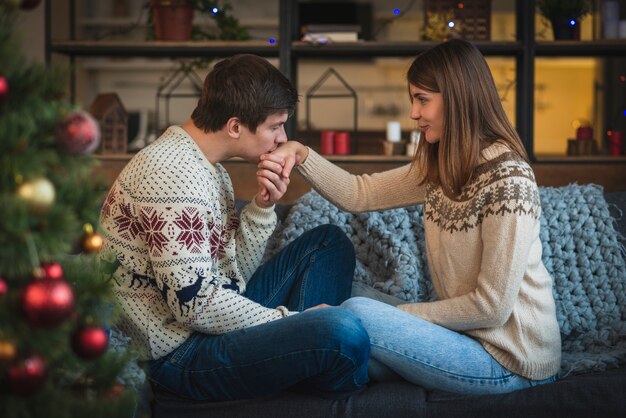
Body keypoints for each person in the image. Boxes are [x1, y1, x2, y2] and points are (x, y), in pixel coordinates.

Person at [258, 39, 561, 396]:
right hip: (463, 338)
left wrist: (396, 317)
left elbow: (492, 308)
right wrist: (300, 153)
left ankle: (311, 351)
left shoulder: (508, 180)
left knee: (356, 311)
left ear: (457, 97)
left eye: (422, 99)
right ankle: (305, 351)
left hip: (509, 362)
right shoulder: (443, 167)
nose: (414, 113)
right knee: (348, 299)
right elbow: (360, 193)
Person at [99, 54, 369, 402]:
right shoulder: (172, 175)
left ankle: (304, 359)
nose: (281, 139)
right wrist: (288, 321)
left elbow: (233, 274)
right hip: (178, 353)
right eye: (275, 127)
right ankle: (311, 361)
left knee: (329, 243)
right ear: (236, 126)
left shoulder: (208, 166)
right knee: (344, 333)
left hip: (205, 323)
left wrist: (263, 205)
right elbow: (192, 305)